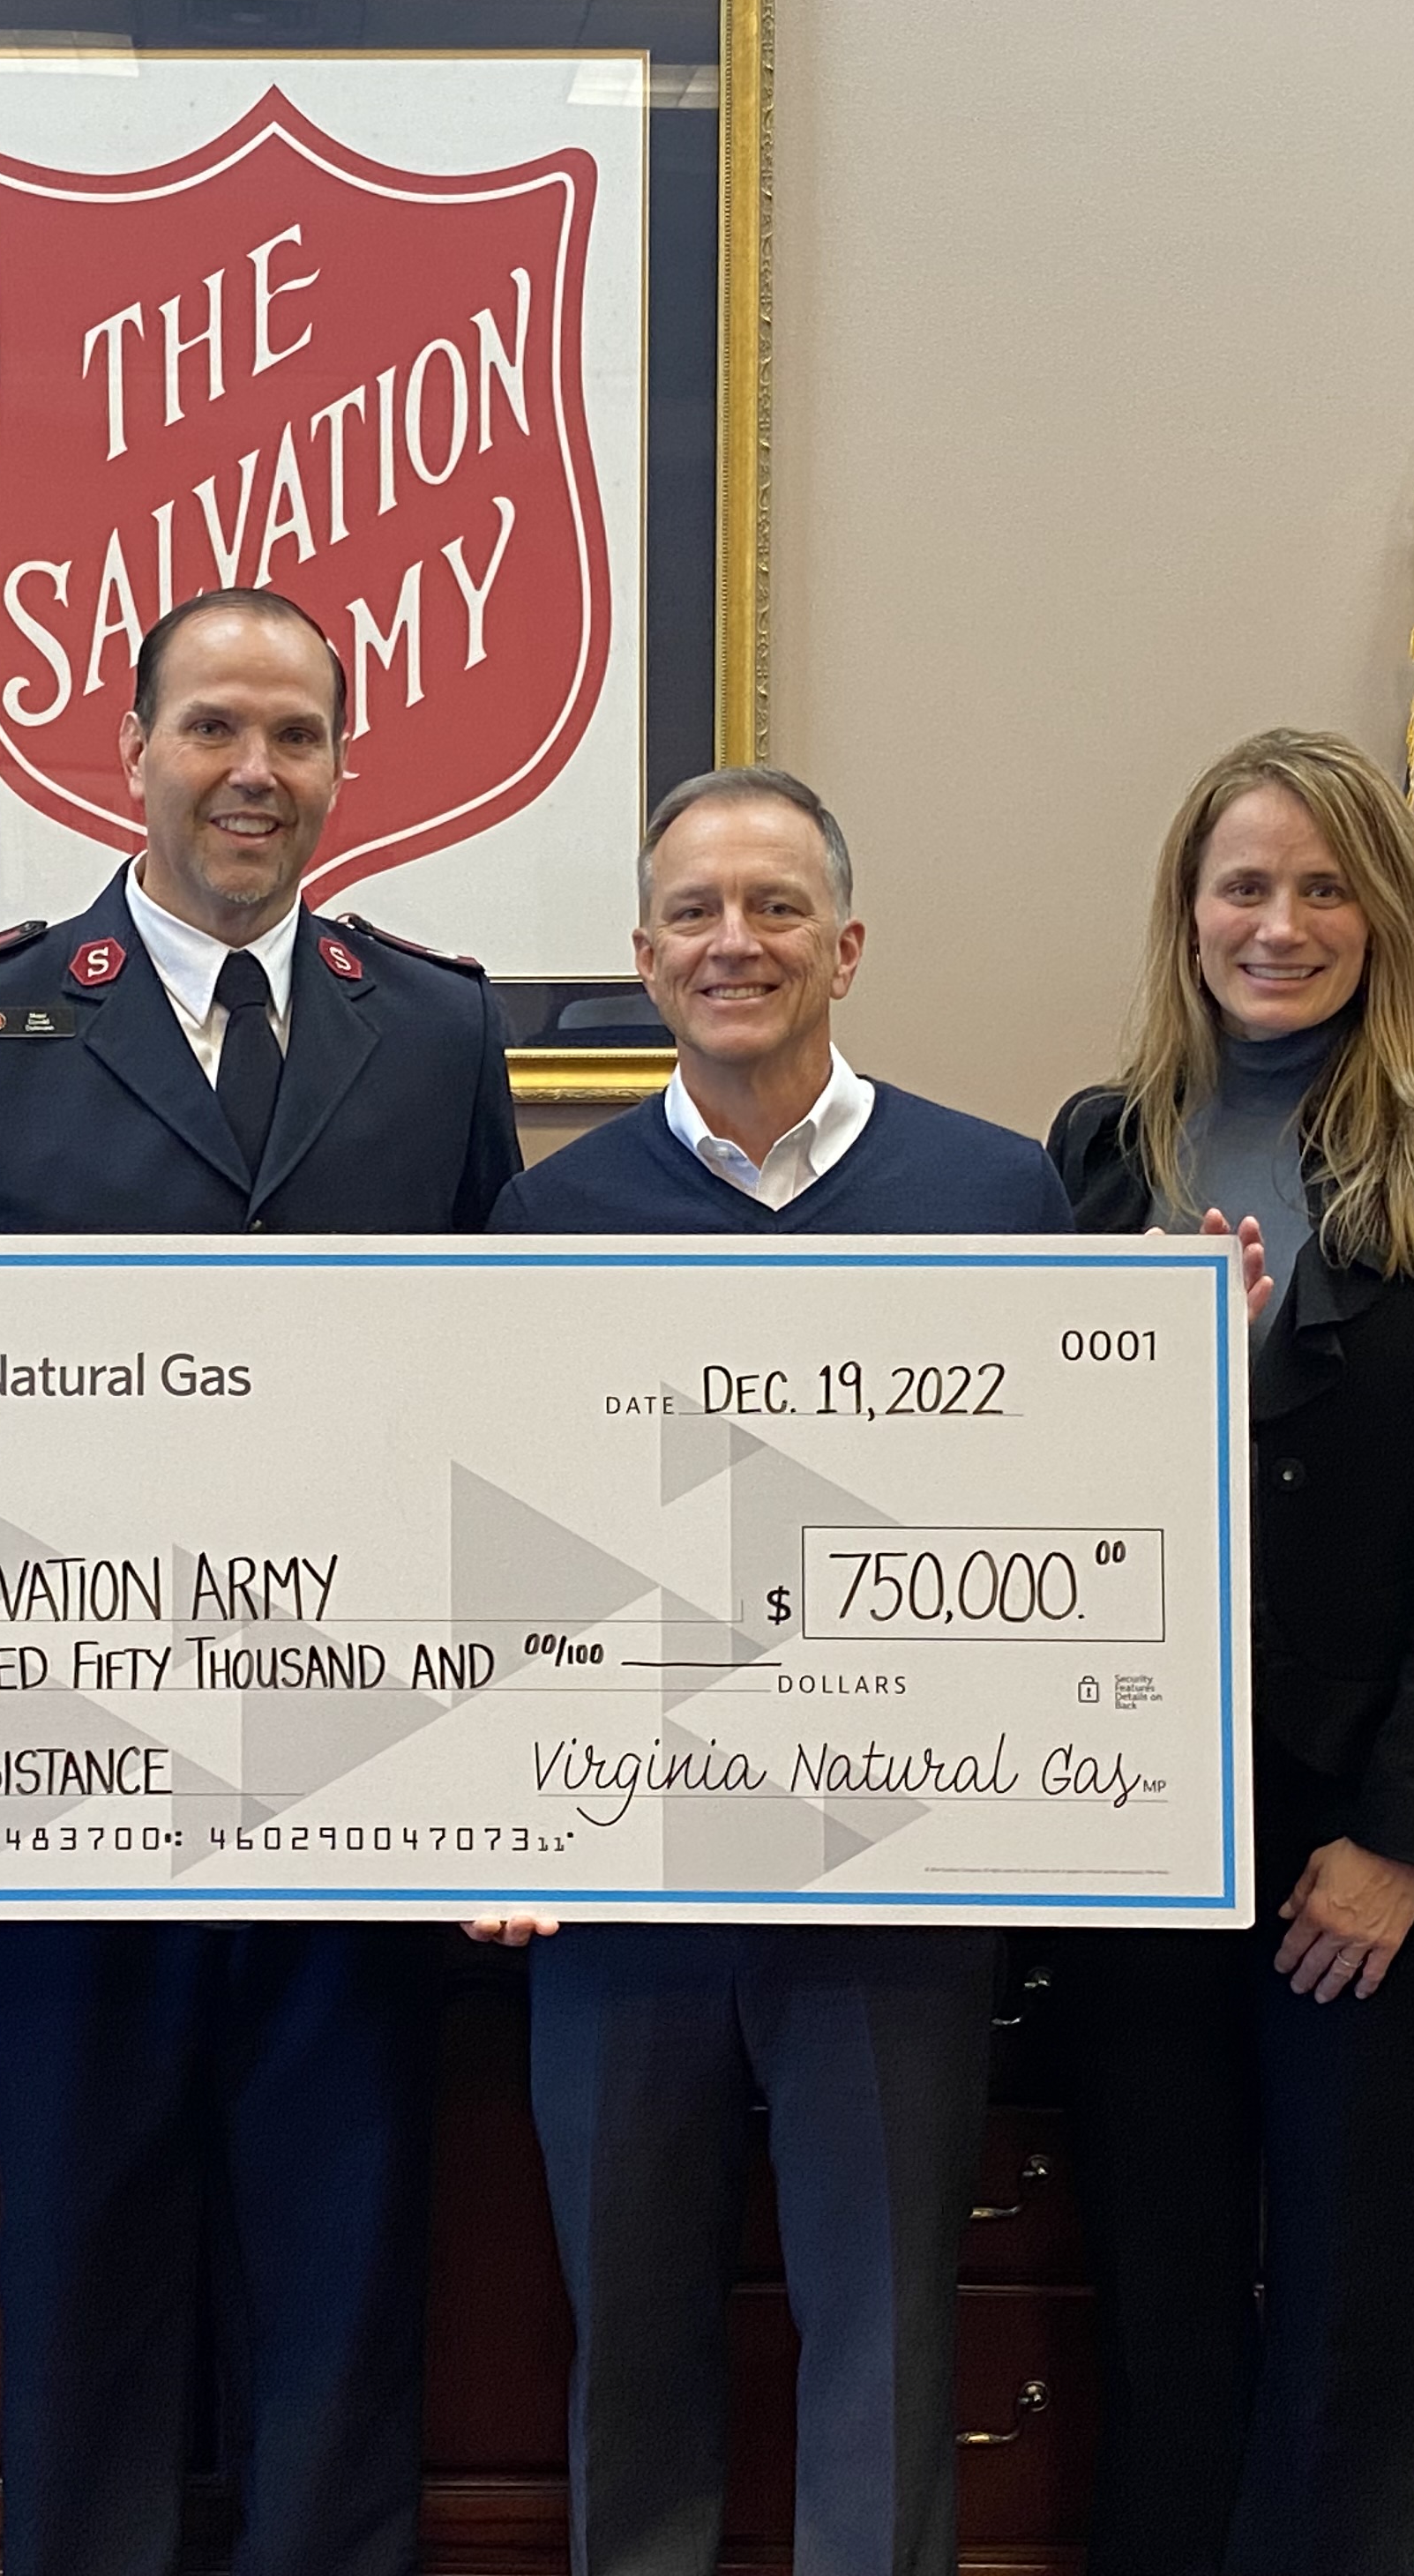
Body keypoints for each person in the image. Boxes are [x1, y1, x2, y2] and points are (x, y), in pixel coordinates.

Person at [0, 587, 520, 2576]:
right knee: (84, 2259)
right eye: (214, 728)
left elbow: (510, 1392)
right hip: (69, 1771)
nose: (254, 771)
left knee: (343, 2262)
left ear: (340, 766)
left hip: (368, 1766)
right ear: (124, 749)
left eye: (295, 736)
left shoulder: (441, 1024)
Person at [481, 767, 1074, 2576]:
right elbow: (502, 1552)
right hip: (620, 1885)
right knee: (631, 2334)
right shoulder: (551, 1222)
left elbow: (1057, 1514)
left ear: (849, 946)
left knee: (886, 2327)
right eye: (696, 914)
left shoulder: (1001, 1193)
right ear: (643, 956)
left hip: (899, 1876)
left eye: (777, 909)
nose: (736, 943)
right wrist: (490, 1820)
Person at [1041, 731, 1414, 2576]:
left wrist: (1406, 1837)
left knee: (1350, 2286)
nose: (1282, 924)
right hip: (1142, 1824)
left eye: (1324, 885)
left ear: (1388, 914)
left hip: (1379, 1833)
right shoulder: (1105, 1147)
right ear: (1187, 914)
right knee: (1158, 2264)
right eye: (1244, 885)